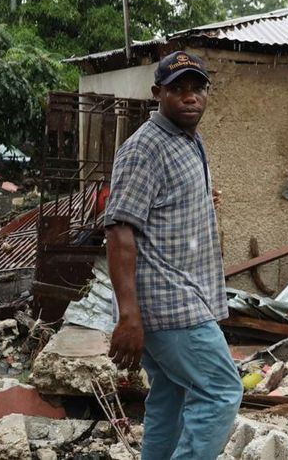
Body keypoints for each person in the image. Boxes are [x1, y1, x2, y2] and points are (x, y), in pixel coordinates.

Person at [104, 51, 242, 460]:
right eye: (178, 88)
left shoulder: (186, 140)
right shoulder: (145, 147)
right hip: (170, 303)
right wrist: (128, 316)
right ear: (157, 93)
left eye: (197, 88)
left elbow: (162, 207)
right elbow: (119, 229)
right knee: (221, 390)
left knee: (172, 395)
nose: (190, 97)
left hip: (180, 296)